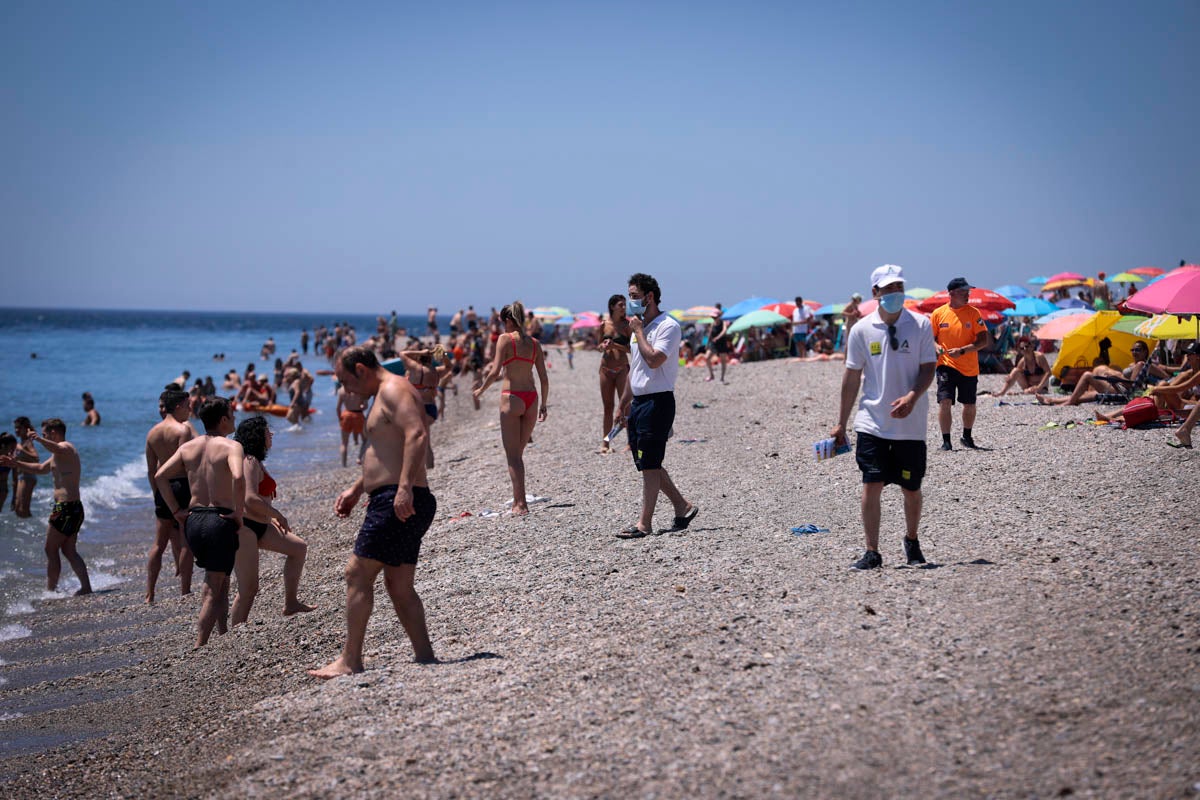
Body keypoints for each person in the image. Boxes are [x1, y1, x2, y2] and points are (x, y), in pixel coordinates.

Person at [310, 346, 438, 678]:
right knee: (398, 583)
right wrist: (357, 488)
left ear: (362, 369)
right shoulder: (384, 393)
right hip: (396, 496)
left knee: (357, 572)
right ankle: (425, 656)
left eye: (345, 380)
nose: (345, 389)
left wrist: (404, 488)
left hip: (398, 499)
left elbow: (418, 433)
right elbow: (387, 451)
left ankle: (350, 661)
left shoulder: (393, 389)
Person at [831, 264, 937, 570]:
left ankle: (912, 541)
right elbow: (851, 378)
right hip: (872, 421)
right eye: (888, 289)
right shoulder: (861, 330)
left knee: (911, 488)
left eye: (899, 287)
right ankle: (872, 551)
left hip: (910, 425)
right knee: (871, 483)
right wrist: (841, 421)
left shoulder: (920, 325)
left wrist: (912, 397)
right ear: (875, 293)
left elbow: (929, 367)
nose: (895, 294)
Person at [154, 397, 248, 647]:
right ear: (224, 419)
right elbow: (238, 477)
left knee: (221, 578)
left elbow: (160, 476)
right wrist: (238, 513)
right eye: (232, 414)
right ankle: (200, 644)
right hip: (219, 519)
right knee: (212, 586)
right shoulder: (231, 447)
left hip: (194, 521)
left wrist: (175, 510)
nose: (235, 418)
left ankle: (223, 632)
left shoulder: (188, 448)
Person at [615, 273, 698, 538]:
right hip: (638, 402)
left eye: (635, 296)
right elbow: (636, 369)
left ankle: (644, 524)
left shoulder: (667, 326)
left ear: (649, 297)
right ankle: (682, 506)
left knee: (650, 463)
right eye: (629, 297)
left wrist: (638, 331)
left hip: (658, 401)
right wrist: (623, 402)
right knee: (646, 462)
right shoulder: (637, 329)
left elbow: (654, 360)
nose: (631, 302)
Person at [233, 416, 315, 618]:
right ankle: (233, 633)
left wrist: (272, 517)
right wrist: (276, 514)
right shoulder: (249, 461)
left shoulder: (255, 460)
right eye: (267, 432)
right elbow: (250, 499)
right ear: (257, 436)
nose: (271, 434)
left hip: (261, 524)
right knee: (248, 589)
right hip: (247, 527)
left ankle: (291, 603)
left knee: (298, 548)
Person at [0, 418, 93, 594]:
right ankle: (85, 587)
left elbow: (57, 447)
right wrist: (16, 464)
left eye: (44, 434)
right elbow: (40, 468)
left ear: (53, 433)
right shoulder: (57, 456)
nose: (42, 437)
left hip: (65, 508)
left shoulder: (67, 447)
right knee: (68, 550)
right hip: (73, 507)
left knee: (50, 549)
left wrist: (38, 439)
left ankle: (51, 590)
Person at [474, 301, 550, 515]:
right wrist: (544, 403)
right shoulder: (535, 343)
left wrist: (481, 390)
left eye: (502, 322)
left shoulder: (505, 340)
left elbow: (495, 371)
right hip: (531, 399)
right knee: (518, 453)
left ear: (508, 320)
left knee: (513, 456)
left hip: (512, 397)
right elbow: (544, 377)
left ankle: (520, 504)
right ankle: (519, 499)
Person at [144, 388, 196, 603]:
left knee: (159, 543)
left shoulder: (152, 432)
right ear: (178, 407)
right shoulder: (182, 431)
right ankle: (184, 590)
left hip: (161, 487)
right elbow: (185, 463)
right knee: (186, 541)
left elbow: (150, 469)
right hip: (181, 486)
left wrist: (157, 492)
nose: (190, 410)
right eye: (187, 406)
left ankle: (150, 593)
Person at [931, 277, 989, 450]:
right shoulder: (938, 313)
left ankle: (967, 436)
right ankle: (946, 441)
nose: (967, 295)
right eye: (964, 291)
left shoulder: (974, 313)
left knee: (969, 404)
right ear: (951, 293)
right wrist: (937, 347)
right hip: (945, 364)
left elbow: (983, 340)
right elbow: (929, 338)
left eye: (968, 291)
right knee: (945, 401)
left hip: (969, 367)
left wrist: (963, 350)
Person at [597, 294, 632, 454]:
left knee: (625, 407)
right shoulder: (604, 325)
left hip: (621, 368)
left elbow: (631, 349)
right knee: (607, 407)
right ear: (612, 307)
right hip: (605, 368)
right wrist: (603, 346)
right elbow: (597, 346)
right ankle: (606, 442)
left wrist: (615, 345)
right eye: (621, 305)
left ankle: (631, 442)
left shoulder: (627, 325)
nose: (624, 307)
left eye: (625, 305)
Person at [11, 417, 40, 517]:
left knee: (23, 510)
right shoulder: (21, 442)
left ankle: (37, 529)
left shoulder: (28, 442)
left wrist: (21, 450)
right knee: (18, 509)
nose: (16, 430)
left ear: (25, 428)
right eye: (15, 428)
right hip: (21, 476)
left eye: (19, 428)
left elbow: (36, 458)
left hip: (28, 477)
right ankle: (27, 530)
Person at [337, 382, 367, 467]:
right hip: (358, 414)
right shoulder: (359, 389)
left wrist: (339, 418)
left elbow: (338, 407)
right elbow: (365, 406)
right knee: (365, 440)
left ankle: (344, 464)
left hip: (346, 414)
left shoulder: (341, 390)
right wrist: (360, 406)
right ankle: (359, 458)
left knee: (344, 443)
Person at [706, 305, 731, 383]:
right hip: (713, 343)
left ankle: (722, 378)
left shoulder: (723, 322)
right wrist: (707, 344)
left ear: (719, 316)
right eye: (713, 317)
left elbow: (724, 331)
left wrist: (718, 337)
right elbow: (710, 334)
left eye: (715, 317)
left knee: (723, 361)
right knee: (707, 358)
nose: (714, 319)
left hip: (721, 343)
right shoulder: (712, 324)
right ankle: (711, 375)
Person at [0, 432, 15, 513]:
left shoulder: (12, 459)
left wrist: (14, 498)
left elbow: (15, 480)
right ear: (3, 445)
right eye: (11, 447)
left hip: (3, 490)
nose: (13, 450)